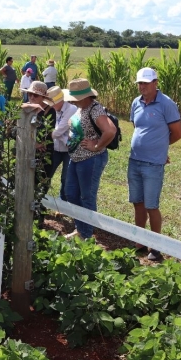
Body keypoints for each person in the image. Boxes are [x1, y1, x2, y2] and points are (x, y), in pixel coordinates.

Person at [129, 67, 181, 261]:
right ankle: (139, 240)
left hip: (153, 164)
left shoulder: (166, 104)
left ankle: (156, 246)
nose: (142, 86)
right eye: (139, 83)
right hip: (134, 160)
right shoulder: (136, 102)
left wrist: (160, 149)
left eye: (146, 82)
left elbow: (177, 133)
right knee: (138, 203)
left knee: (152, 205)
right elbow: (137, 127)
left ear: (155, 83)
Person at [62, 78, 117, 240]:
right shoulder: (81, 108)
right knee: (70, 193)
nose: (73, 101)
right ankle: (80, 228)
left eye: (75, 98)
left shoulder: (95, 109)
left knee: (87, 196)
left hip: (90, 159)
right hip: (76, 158)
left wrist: (97, 146)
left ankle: (86, 234)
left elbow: (110, 131)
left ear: (85, 96)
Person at [22, 81, 56, 218]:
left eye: (35, 95)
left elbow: (45, 135)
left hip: (43, 154)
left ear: (43, 97)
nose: (32, 97)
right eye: (30, 94)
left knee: (41, 183)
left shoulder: (50, 111)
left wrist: (34, 143)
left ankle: (38, 215)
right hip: (27, 152)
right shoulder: (25, 108)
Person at [45, 85, 77, 201]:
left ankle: (62, 204)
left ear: (60, 101)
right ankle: (41, 199)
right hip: (55, 148)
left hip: (68, 150)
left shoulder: (71, 109)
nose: (51, 105)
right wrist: (58, 134)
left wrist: (52, 134)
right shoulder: (53, 110)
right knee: (47, 173)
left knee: (65, 178)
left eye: (52, 103)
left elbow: (57, 131)